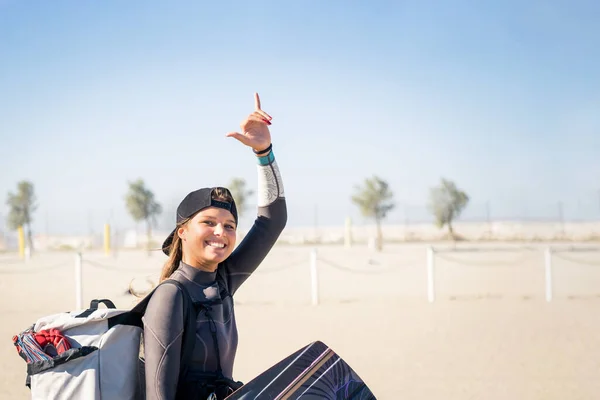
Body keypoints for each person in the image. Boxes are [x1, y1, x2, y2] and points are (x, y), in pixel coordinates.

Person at [142, 93, 287, 399]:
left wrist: (265, 153)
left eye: (230, 225)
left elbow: (272, 221)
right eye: (208, 222)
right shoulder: (171, 295)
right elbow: (159, 394)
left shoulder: (223, 281)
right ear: (182, 232)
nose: (220, 232)